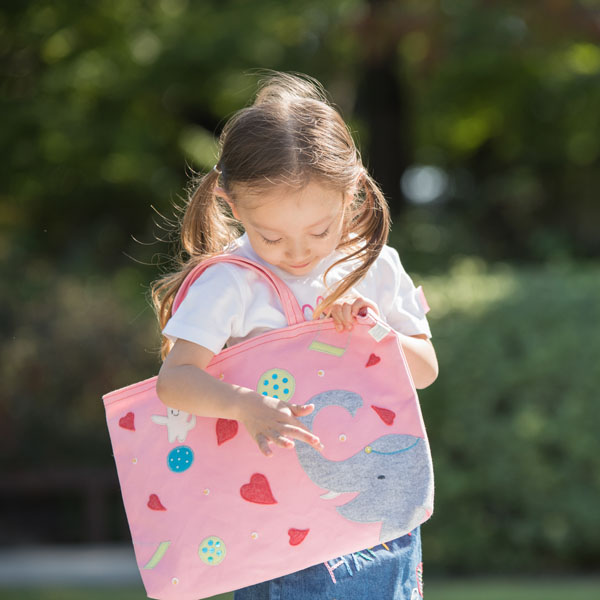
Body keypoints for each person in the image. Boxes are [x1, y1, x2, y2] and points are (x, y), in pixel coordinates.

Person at [152, 71, 438, 600]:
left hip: (377, 512)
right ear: (233, 205)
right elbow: (175, 381)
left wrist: (377, 332)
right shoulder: (229, 283)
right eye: (272, 236)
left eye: (320, 231)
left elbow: (424, 371)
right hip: (274, 524)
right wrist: (245, 405)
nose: (298, 253)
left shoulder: (371, 265)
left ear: (352, 194)